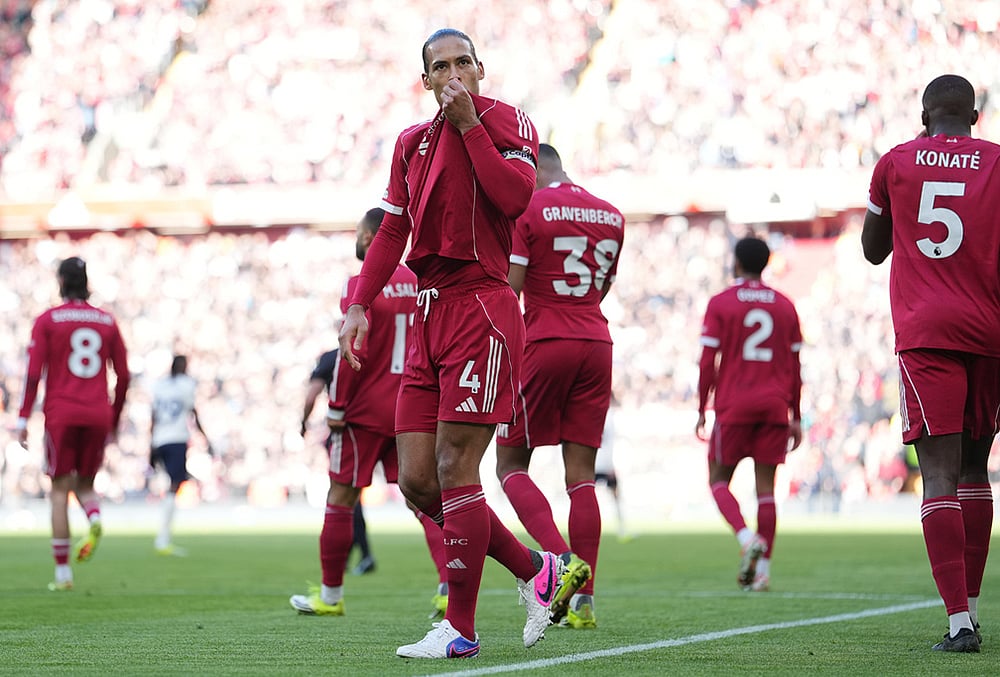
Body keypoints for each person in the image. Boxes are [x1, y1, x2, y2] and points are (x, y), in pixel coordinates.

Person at [339, 29, 563, 659]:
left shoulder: (508, 121)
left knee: (453, 469)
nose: (455, 73)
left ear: (480, 68)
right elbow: (391, 231)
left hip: (483, 309)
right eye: (441, 67)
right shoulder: (410, 144)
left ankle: (461, 629)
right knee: (417, 482)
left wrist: (469, 126)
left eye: (464, 61)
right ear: (427, 82)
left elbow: (517, 198)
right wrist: (359, 304)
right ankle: (538, 573)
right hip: (429, 312)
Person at [862, 73, 1000, 654]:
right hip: (991, 330)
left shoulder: (896, 162)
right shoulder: (998, 161)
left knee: (938, 473)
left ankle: (959, 622)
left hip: (926, 331)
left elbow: (872, 249)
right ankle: (969, 605)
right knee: (976, 468)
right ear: (974, 115)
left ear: (924, 117)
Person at [290, 207, 450, 618]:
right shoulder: (421, 282)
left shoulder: (361, 284)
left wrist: (337, 407)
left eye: (360, 233)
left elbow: (350, 351)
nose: (357, 239)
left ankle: (330, 596)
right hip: (413, 408)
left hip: (363, 412)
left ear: (369, 238)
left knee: (341, 498)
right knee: (425, 501)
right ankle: (450, 586)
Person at [495, 142, 625, 630]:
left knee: (509, 463)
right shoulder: (611, 215)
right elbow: (602, 286)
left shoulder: (529, 207)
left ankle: (560, 561)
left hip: (545, 339)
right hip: (597, 340)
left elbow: (512, 288)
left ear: (533, 171)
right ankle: (585, 602)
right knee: (582, 477)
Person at [695, 237, 803, 594]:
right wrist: (796, 415)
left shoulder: (721, 303)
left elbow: (707, 361)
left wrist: (701, 407)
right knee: (766, 492)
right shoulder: (786, 306)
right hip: (774, 406)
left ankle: (746, 537)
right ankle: (763, 573)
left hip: (735, 404)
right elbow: (795, 366)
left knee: (717, 479)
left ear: (736, 263)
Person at [16, 256, 130, 591]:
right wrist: (115, 417)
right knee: (85, 484)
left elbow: (34, 372)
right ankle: (94, 518)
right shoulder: (107, 321)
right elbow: (123, 375)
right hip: (98, 413)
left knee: (59, 490)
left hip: (62, 413)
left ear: (61, 282)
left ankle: (63, 575)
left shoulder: (48, 320)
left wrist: (23, 416)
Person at [300, 346, 378, 576]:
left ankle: (347, 560)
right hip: (385, 424)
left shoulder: (330, 357)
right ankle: (359, 552)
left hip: (349, 430)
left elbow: (312, 395)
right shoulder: (379, 351)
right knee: (418, 494)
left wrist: (302, 423)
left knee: (343, 496)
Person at [150, 354, 212, 556]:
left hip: (159, 440)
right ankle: (162, 538)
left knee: (173, 483)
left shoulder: (159, 386)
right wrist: (205, 438)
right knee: (174, 485)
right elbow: (193, 413)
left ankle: (163, 536)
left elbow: (154, 415)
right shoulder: (186, 384)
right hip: (176, 439)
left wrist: (150, 442)